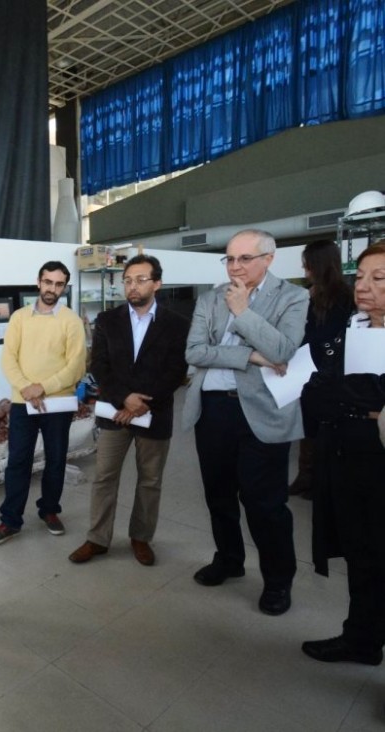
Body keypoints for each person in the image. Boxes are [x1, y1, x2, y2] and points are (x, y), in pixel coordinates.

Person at [183, 228, 308, 616]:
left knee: (265, 504)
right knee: (218, 495)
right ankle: (229, 560)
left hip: (263, 412)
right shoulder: (209, 297)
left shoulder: (293, 297)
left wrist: (242, 312)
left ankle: (277, 581)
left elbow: (283, 349)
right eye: (230, 259)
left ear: (268, 259)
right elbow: (194, 352)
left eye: (244, 259)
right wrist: (250, 357)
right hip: (214, 410)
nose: (235, 267)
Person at [68, 255, 190, 566]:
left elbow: (176, 371)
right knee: (104, 477)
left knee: (150, 481)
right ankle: (97, 539)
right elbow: (100, 366)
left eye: (140, 279)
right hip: (115, 413)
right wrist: (125, 400)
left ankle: (141, 538)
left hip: (155, 414)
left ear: (157, 284)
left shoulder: (177, 324)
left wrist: (142, 404)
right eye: (127, 280)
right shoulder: (109, 320)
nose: (132, 286)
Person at [300, 241, 385, 667]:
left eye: (379, 278)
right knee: (360, 556)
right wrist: (361, 403)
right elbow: (320, 389)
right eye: (362, 277)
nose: (364, 287)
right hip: (345, 458)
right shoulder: (350, 328)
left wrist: (359, 401)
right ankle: (362, 640)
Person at [0, 261, 86, 545]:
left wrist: (42, 387)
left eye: (58, 284)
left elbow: (76, 366)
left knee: (55, 460)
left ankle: (50, 511)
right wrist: (26, 388)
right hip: (22, 403)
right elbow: (9, 358)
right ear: (38, 282)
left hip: (57, 405)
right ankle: (10, 521)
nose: (52, 288)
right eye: (47, 282)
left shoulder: (71, 321)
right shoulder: (19, 318)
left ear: (64, 287)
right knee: (18, 462)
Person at [289, 239, 353, 498]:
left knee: (322, 428)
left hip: (329, 374)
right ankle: (307, 477)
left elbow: (326, 334)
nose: (305, 272)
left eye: (308, 266)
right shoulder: (311, 294)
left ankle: (319, 480)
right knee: (307, 425)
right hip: (307, 371)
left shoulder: (343, 297)